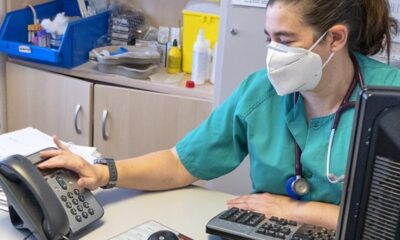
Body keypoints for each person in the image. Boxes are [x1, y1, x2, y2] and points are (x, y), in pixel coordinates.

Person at [39, 0, 400, 230]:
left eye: (286, 41)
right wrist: (104, 172)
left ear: (335, 38)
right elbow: (181, 163)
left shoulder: (391, 99)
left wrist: (301, 211)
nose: (273, 52)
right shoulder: (260, 92)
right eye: (268, 38)